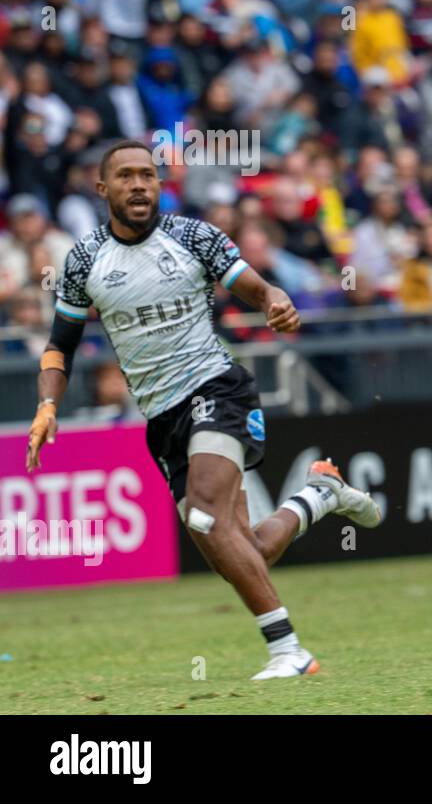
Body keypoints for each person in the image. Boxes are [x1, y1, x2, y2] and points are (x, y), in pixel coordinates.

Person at [25, 140, 383, 679]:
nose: (140, 184)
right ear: (103, 189)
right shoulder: (83, 260)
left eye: (148, 174)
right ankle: (318, 496)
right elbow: (60, 344)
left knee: (205, 515)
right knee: (245, 549)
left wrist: (274, 301)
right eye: (126, 176)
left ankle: (289, 650)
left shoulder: (192, 236)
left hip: (216, 388)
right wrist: (48, 404)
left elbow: (252, 286)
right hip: (161, 417)